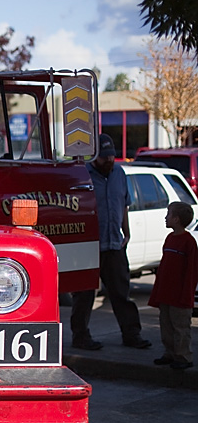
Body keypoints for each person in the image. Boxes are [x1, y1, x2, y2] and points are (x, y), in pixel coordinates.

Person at [70, 133, 151, 350]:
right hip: (89, 246)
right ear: (94, 155)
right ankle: (81, 337)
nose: (108, 160)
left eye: (111, 156)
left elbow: (124, 204)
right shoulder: (81, 176)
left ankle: (131, 335)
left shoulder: (120, 174)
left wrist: (127, 232)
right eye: (104, 156)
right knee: (84, 295)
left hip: (115, 244)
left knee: (121, 293)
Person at [148, 202, 197, 370]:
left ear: (176, 219)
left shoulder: (188, 242)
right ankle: (169, 353)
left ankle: (183, 356)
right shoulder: (169, 239)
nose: (165, 218)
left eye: (168, 215)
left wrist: (187, 294)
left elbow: (191, 271)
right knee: (166, 325)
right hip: (166, 293)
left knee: (181, 327)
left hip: (179, 295)